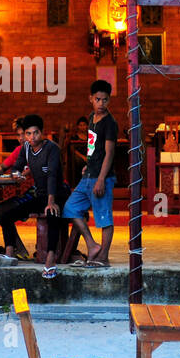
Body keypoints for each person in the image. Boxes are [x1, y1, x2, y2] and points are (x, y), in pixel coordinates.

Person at [0, 115, 69, 277]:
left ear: (42, 133)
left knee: (52, 213)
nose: (32, 137)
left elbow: (53, 175)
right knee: (6, 214)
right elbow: (16, 167)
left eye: (36, 133)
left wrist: (51, 201)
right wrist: (16, 175)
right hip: (40, 195)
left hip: (58, 194)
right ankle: (10, 253)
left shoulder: (52, 148)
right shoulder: (26, 148)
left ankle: (50, 259)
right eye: (28, 134)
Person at [63, 79, 118, 266]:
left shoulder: (110, 123)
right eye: (97, 99)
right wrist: (88, 162)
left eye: (105, 100)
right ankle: (92, 245)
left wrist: (101, 179)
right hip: (88, 175)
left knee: (103, 217)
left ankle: (104, 257)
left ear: (109, 100)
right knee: (70, 208)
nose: (101, 104)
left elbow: (109, 153)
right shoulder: (90, 118)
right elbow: (92, 145)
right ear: (90, 99)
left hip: (102, 177)